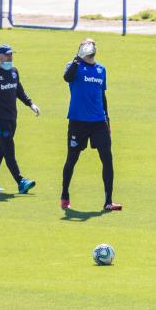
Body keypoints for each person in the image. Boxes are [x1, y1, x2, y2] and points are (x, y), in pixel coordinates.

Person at [61, 39, 121, 211]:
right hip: (78, 121)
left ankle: (108, 201)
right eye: (86, 44)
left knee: (107, 159)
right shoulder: (73, 66)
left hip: (98, 122)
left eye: (93, 44)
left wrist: (107, 120)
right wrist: (77, 58)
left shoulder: (101, 69)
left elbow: (102, 96)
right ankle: (65, 194)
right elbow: (67, 77)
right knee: (72, 159)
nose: (91, 46)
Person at [0, 43, 39, 194]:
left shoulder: (14, 71)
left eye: (11, 54)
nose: (10, 57)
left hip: (12, 117)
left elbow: (19, 91)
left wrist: (31, 104)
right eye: (7, 54)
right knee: (8, 148)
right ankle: (21, 181)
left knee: (0, 149)